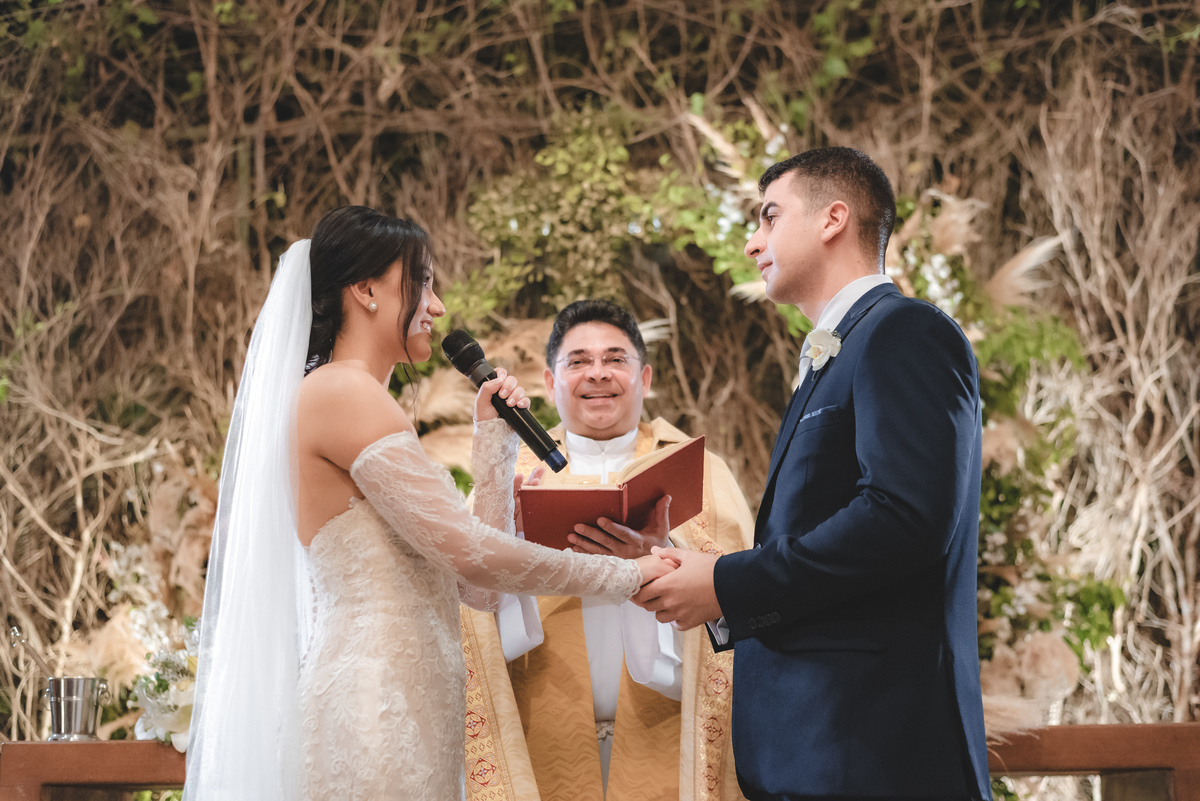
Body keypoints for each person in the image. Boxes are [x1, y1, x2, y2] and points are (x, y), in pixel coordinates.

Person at [183, 207, 673, 801]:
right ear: (365, 290)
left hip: (418, 701)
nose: (437, 307)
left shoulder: (366, 399)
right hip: (374, 697)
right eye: (424, 281)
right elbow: (470, 553)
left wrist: (491, 440)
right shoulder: (341, 391)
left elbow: (479, 592)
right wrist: (625, 575)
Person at [629, 149, 992, 801]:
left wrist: (727, 583)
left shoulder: (904, 331)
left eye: (768, 216)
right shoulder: (836, 352)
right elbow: (821, 540)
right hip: (814, 754)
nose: (752, 241)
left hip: (875, 755)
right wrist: (693, 573)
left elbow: (903, 518)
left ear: (834, 218)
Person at [459, 300, 755, 801]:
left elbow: (739, 608)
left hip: (666, 739)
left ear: (644, 377)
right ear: (551, 384)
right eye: (577, 361)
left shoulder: (702, 472)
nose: (598, 373)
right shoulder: (506, 475)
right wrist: (516, 544)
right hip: (544, 739)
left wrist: (661, 552)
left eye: (615, 359)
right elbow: (471, 615)